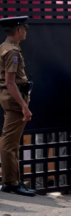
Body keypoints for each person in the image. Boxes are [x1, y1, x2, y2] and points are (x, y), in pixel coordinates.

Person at [0, 16, 36, 196]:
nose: (26, 32)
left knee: (11, 143)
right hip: (15, 100)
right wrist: (24, 106)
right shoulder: (12, 52)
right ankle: (11, 182)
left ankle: (11, 180)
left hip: (11, 99)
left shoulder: (4, 48)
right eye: (24, 28)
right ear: (20, 30)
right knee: (10, 144)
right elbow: (10, 82)